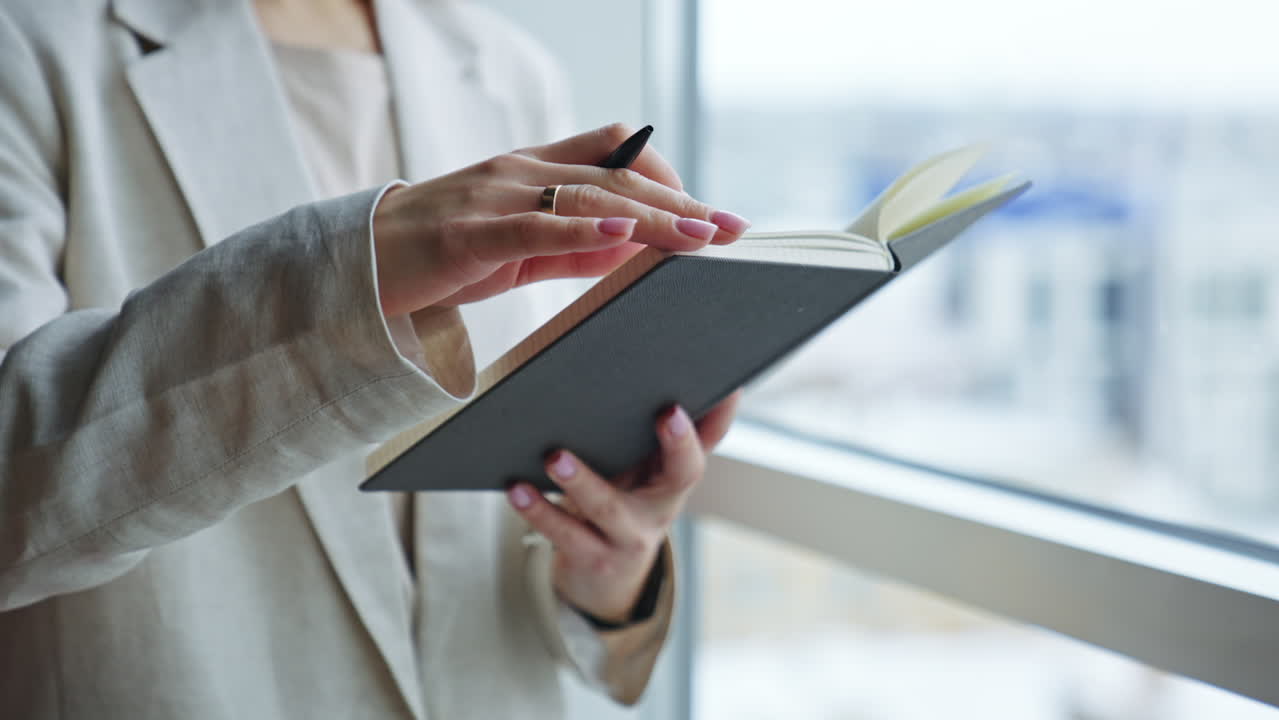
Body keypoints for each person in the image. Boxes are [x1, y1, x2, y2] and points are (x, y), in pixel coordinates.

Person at [0, 0, 750, 717]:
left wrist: (608, 569)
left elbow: (508, 502)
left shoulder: (512, 69)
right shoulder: (29, 47)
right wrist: (351, 275)